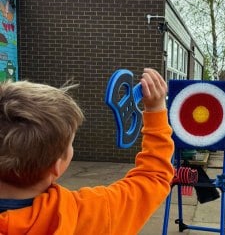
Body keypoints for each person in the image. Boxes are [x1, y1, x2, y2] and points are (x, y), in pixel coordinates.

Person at [0, 68, 174, 234]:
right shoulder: (91, 213)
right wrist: (156, 110)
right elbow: (153, 177)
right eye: (70, 144)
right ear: (57, 165)